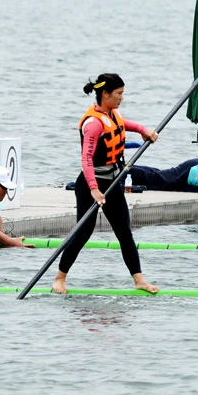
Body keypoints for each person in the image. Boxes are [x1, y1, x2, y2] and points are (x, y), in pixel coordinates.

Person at [53, 73, 160, 296]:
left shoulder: (113, 113)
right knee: (83, 232)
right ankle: (59, 279)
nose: (122, 98)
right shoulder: (92, 124)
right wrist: (93, 188)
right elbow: (86, 159)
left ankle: (139, 280)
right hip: (91, 186)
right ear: (105, 94)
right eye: (119, 94)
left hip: (113, 182)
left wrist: (143, 130)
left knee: (124, 232)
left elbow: (123, 124)